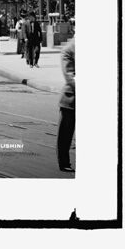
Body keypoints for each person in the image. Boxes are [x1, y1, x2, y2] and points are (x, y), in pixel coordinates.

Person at [57, 36, 75, 172]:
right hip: (71, 98)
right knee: (65, 134)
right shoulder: (68, 49)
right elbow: (69, 75)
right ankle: (64, 162)